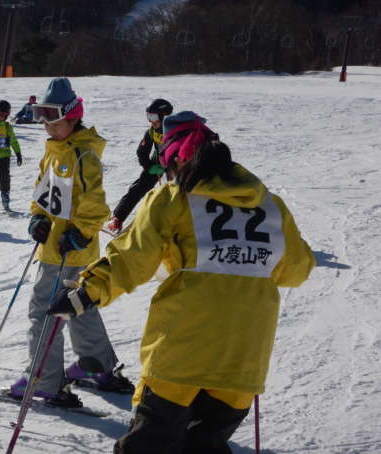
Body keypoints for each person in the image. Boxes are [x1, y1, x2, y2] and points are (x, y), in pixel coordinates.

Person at [48, 111, 316, 453]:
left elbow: (132, 258)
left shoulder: (173, 199)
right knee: (204, 445)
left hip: (179, 356)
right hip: (243, 359)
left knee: (149, 444)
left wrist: (85, 292)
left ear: (175, 160)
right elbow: (297, 268)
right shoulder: (270, 206)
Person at [10, 77, 133, 408]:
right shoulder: (55, 151)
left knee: (44, 311)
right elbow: (43, 193)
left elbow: (95, 207)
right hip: (60, 246)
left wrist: (78, 233)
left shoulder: (82, 157)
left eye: (52, 116)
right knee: (78, 306)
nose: (46, 124)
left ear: (72, 115)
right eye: (41, 115)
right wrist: (37, 219)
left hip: (67, 250)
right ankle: (97, 366)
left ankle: (44, 380)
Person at [105, 99, 173, 235]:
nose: (151, 121)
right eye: (149, 117)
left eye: (153, 117)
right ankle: (118, 217)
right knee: (138, 187)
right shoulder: (152, 132)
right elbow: (141, 152)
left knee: (176, 191)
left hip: (175, 163)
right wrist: (149, 167)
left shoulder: (176, 130)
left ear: (164, 116)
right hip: (158, 162)